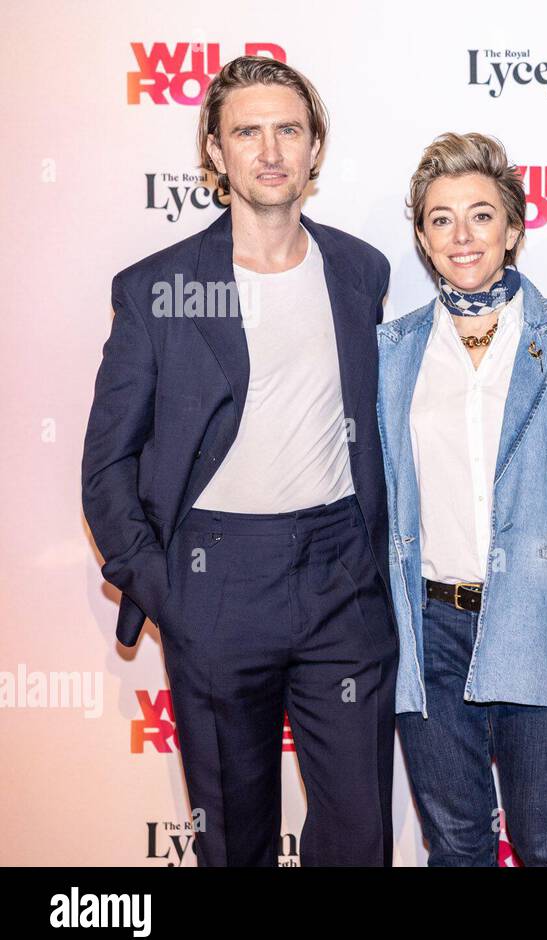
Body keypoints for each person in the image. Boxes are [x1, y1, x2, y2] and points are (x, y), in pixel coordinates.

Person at [81, 57, 397, 866]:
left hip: (341, 578)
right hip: (213, 580)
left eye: (288, 129)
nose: (269, 150)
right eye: (246, 131)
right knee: (234, 839)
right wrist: (167, 591)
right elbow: (106, 465)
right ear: (216, 154)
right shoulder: (159, 289)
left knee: (361, 836)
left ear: (314, 146)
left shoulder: (359, 272)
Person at [378, 133, 547, 867]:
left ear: (513, 228)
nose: (463, 235)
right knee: (456, 844)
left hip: (543, 626)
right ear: (422, 238)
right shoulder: (393, 350)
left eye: (481, 215)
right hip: (428, 631)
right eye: (441, 218)